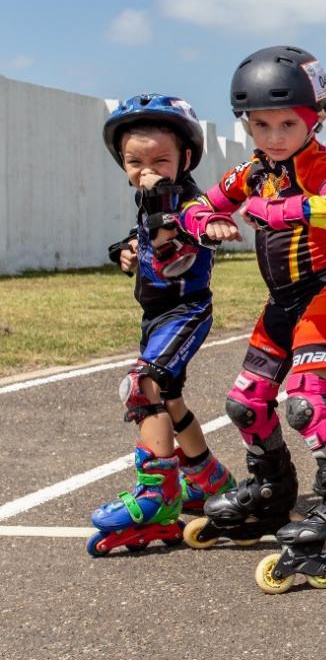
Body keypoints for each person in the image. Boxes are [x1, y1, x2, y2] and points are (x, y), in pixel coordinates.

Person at [179, 45, 326, 593]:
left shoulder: (319, 164)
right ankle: (270, 487)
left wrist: (284, 209)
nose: (272, 135)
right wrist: (207, 224)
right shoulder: (254, 171)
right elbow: (200, 203)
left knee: (303, 400)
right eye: (260, 123)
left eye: (286, 123)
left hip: (323, 291)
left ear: (314, 118)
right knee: (244, 403)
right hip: (282, 302)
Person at [88, 94, 235, 556]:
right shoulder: (150, 199)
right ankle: (206, 476)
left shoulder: (183, 200)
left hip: (184, 311)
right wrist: (129, 249)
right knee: (168, 395)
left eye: (159, 160)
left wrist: (213, 224)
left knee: (142, 385)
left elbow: (192, 217)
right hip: (156, 315)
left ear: (185, 159)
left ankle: (158, 494)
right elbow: (150, 231)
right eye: (134, 161)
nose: (145, 170)